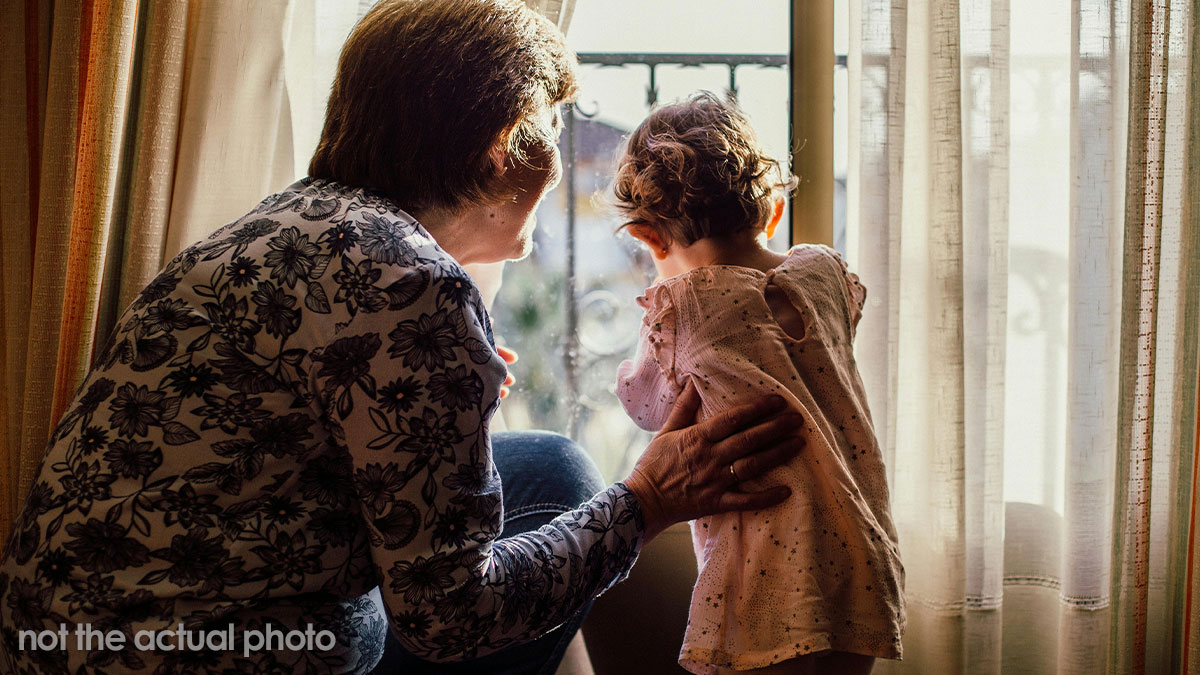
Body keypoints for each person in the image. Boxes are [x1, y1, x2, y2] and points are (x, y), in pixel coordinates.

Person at [0, 4, 807, 674]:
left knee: (552, 468)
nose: (559, 157)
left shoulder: (285, 222)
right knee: (575, 500)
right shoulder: (414, 285)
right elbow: (452, 615)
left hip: (63, 638)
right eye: (551, 126)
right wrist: (648, 501)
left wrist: (442, 406)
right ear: (503, 146)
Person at [612, 92, 905, 675]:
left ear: (649, 238)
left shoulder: (684, 305)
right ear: (772, 212)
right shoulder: (823, 272)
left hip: (766, 569)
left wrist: (642, 352)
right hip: (860, 549)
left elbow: (647, 406)